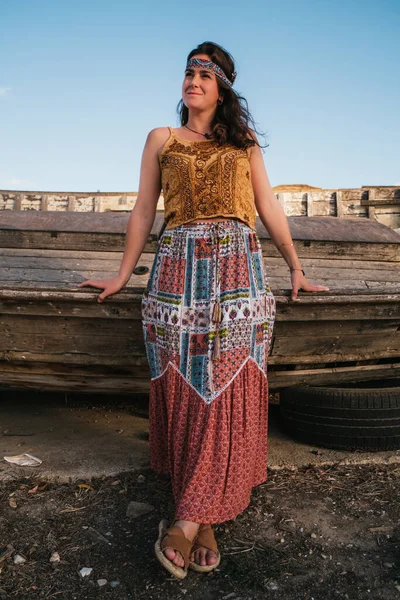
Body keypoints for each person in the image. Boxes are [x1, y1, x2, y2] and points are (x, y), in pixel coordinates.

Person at [78, 41, 329, 580]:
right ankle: (205, 517)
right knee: (191, 389)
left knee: (224, 386)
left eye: (205, 74)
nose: (193, 80)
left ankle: (186, 520)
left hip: (239, 276)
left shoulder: (245, 146)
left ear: (221, 87)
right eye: (189, 71)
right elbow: (145, 208)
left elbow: (268, 207)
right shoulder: (160, 139)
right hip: (177, 276)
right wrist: (124, 274)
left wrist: (295, 266)